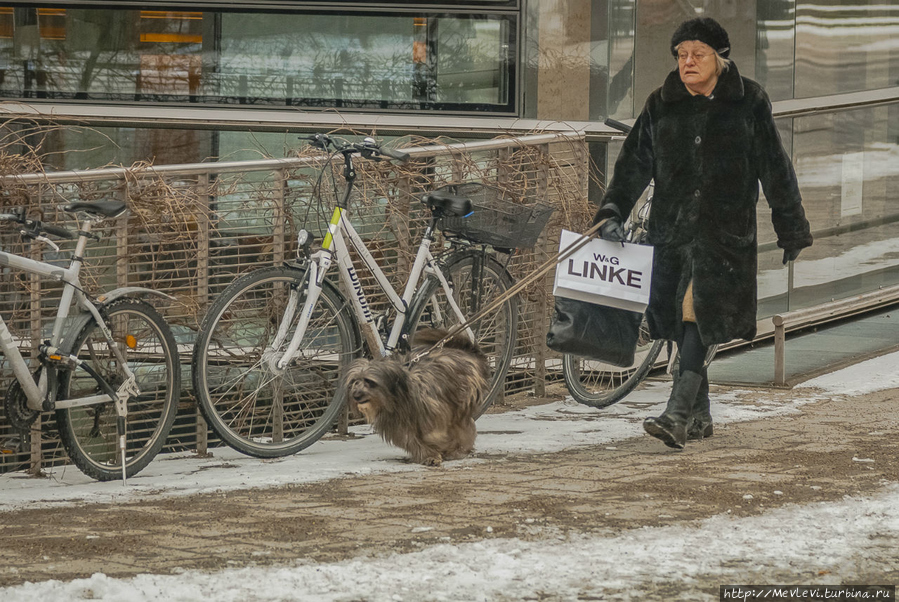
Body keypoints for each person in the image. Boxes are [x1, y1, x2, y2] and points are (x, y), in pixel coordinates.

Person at [593, 17, 813, 449]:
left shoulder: (749, 102)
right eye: (681, 55)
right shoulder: (663, 102)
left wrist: (790, 227)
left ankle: (675, 414)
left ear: (720, 58)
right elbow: (634, 162)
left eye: (697, 55)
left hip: (723, 235)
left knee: (696, 310)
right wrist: (613, 209)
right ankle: (701, 415)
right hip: (671, 234)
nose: (687, 62)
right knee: (680, 321)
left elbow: (775, 167)